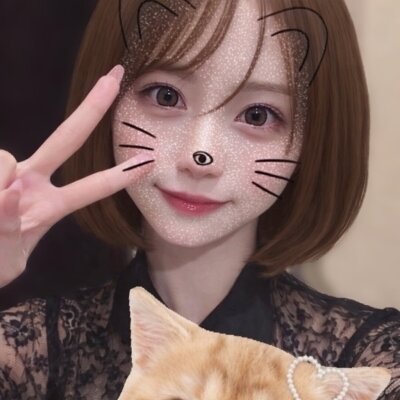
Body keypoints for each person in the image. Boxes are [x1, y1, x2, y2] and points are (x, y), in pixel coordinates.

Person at [0, 0, 398, 399]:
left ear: (313, 139)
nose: (199, 155)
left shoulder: (372, 360)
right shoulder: (26, 351)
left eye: (258, 115)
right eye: (165, 96)